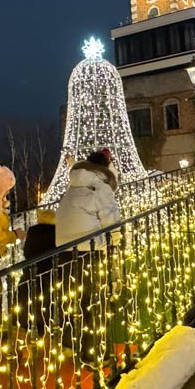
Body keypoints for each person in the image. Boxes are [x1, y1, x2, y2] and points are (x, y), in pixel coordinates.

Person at [56, 151, 122, 367]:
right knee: (94, 302)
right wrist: (117, 241)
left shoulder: (73, 185)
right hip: (89, 250)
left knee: (73, 298)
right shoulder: (101, 186)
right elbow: (111, 219)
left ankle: (70, 345)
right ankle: (94, 354)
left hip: (65, 250)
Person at [17, 209, 58, 335]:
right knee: (46, 298)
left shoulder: (33, 231)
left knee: (27, 295)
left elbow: (27, 251)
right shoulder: (56, 231)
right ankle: (45, 325)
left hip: (31, 269)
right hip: (49, 270)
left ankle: (25, 324)